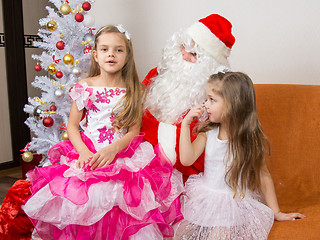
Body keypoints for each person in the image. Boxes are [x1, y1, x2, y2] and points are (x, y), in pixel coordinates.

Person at [2, 25, 184, 240]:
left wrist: (114, 148)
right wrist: (84, 153)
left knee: (122, 199)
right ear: (96, 55)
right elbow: (72, 126)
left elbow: (134, 130)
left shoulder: (135, 89)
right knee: (89, 199)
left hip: (122, 152)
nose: (111, 55)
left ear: (127, 55)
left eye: (119, 50)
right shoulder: (85, 86)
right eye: (105, 49)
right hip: (88, 151)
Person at [174, 72, 306, 239]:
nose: (205, 105)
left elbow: (263, 175)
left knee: (218, 236)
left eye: (212, 100)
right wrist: (185, 124)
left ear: (232, 105)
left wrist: (277, 212)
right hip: (207, 198)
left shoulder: (248, 140)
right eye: (206, 99)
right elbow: (186, 159)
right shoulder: (208, 133)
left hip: (233, 204)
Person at [141, 14, 236, 182]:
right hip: (141, 160)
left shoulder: (212, 100)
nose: (184, 56)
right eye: (183, 47)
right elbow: (131, 116)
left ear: (209, 66)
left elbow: (198, 158)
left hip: (181, 176)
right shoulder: (156, 74)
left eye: (193, 54)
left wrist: (152, 131)